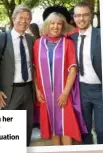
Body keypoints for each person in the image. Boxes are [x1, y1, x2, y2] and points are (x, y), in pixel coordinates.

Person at [33, 11, 87, 145]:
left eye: (59, 24)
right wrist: (37, 90)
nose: (55, 27)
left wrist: (65, 93)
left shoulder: (67, 43)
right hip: (45, 93)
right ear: (47, 25)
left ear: (63, 26)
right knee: (53, 127)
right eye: (52, 23)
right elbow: (34, 68)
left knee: (66, 127)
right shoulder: (38, 44)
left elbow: (73, 69)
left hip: (63, 93)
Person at [0, 4, 35, 146]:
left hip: (28, 90)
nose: (24, 21)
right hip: (9, 91)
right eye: (21, 18)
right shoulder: (1, 39)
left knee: (27, 128)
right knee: (11, 131)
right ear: (13, 19)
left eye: (28, 18)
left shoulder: (31, 40)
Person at [71, 2, 103, 144]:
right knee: (84, 129)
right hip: (81, 89)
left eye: (85, 15)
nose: (81, 18)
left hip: (100, 90)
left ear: (90, 16)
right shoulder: (71, 39)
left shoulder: (101, 35)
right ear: (74, 17)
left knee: (102, 129)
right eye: (78, 15)